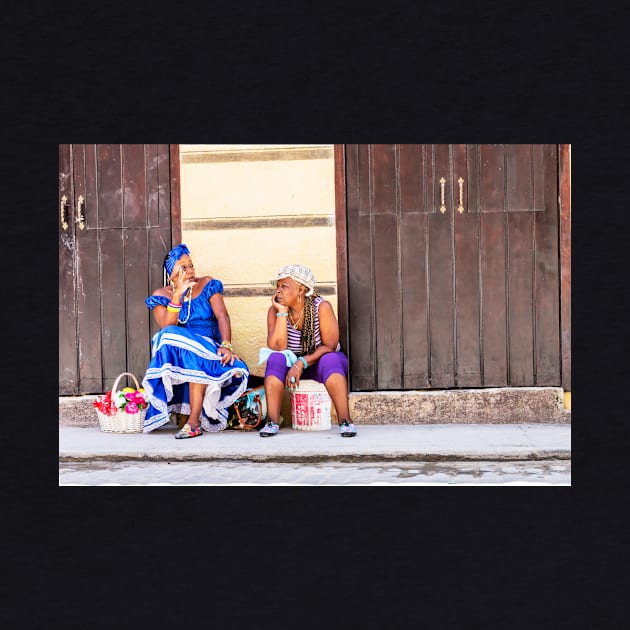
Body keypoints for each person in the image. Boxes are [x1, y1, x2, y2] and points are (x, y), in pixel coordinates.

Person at [141, 244, 249, 438]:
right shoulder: (161, 295)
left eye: (191, 265)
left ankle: (193, 422)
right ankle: (192, 423)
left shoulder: (207, 284)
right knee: (164, 337)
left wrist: (226, 346)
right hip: (185, 352)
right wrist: (177, 295)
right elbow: (168, 328)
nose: (190, 271)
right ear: (171, 274)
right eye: (183, 267)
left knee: (194, 355)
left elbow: (222, 315)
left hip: (211, 347)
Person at [258, 264, 357, 438]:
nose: (278, 291)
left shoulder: (321, 307)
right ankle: (272, 422)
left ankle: (345, 421)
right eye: (277, 287)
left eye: (284, 286)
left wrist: (301, 362)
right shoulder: (274, 311)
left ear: (301, 290)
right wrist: (281, 313)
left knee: (331, 359)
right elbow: (277, 348)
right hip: (291, 364)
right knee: (275, 359)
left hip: (320, 363)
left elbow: (330, 345)